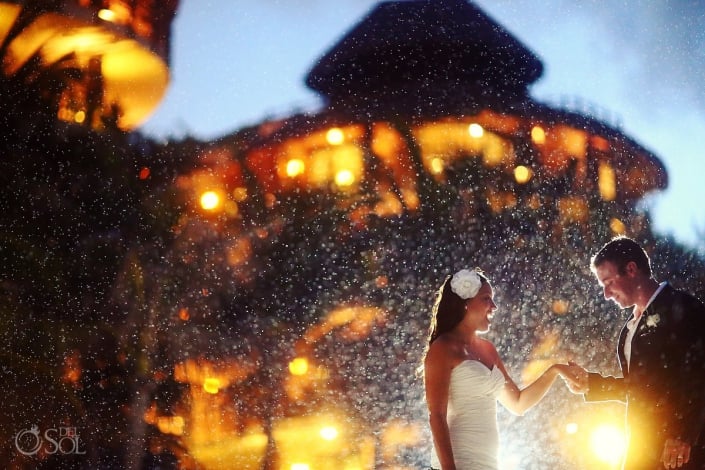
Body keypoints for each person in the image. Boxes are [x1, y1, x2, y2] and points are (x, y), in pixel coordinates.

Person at [568, 236, 705, 469]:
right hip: (642, 448)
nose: (606, 294)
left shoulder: (684, 308)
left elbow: (699, 376)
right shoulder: (629, 330)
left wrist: (683, 434)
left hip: (682, 452)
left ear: (631, 269)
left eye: (609, 282)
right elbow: (644, 388)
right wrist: (593, 384)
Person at [423, 268, 576, 470]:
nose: (494, 306)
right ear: (466, 304)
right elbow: (437, 416)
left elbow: (518, 404)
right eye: (486, 299)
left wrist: (555, 371)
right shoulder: (443, 347)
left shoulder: (488, 349)